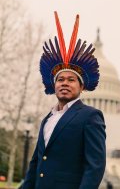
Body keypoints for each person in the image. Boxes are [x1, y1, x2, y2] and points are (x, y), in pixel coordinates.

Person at [22, 11, 106, 189]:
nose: (64, 83)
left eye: (71, 79)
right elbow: (36, 164)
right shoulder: (47, 119)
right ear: (54, 85)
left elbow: (95, 166)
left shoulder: (90, 116)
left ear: (81, 87)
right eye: (60, 80)